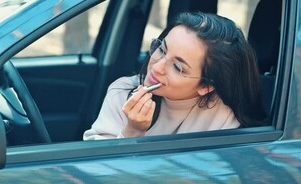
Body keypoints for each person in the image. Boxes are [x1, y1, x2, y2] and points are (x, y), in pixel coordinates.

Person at [83, 12, 267, 140]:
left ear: (206, 86)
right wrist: (133, 130)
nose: (157, 67)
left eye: (178, 67)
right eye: (162, 49)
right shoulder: (122, 92)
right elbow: (94, 168)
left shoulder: (223, 117)